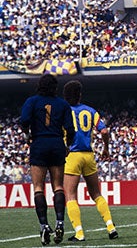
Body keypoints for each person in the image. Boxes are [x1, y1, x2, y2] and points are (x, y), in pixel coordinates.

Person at [20, 74, 75, 245]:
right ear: (55, 87)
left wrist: (28, 135)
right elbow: (70, 129)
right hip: (57, 143)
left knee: (38, 187)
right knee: (58, 186)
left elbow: (24, 121)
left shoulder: (32, 101)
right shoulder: (63, 104)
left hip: (39, 144)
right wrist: (68, 145)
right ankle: (60, 222)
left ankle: (44, 226)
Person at [62, 80, 118, 242]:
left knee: (71, 195)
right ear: (79, 95)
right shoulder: (91, 111)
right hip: (88, 155)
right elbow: (105, 130)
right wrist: (106, 148)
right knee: (96, 194)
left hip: (72, 156)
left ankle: (79, 233)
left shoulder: (63, 111)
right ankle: (110, 226)